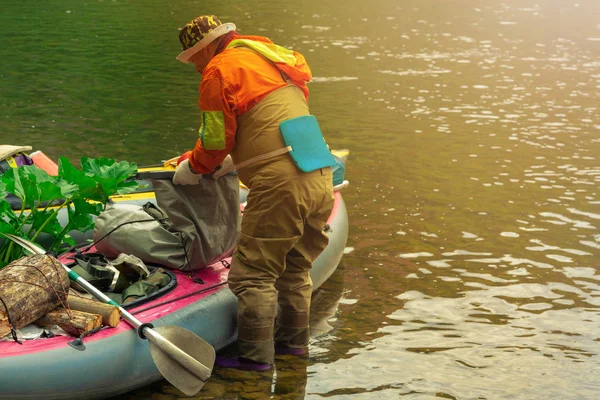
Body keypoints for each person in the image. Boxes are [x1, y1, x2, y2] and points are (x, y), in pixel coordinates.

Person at [171, 15, 335, 370]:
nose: (196, 68)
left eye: (194, 58)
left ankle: (255, 362)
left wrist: (196, 167)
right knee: (294, 267)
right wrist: (238, 156)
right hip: (319, 170)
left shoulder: (219, 69)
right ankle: (293, 350)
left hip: (282, 182)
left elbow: (214, 139)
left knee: (252, 275)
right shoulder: (271, 57)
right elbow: (273, 120)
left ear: (205, 48)